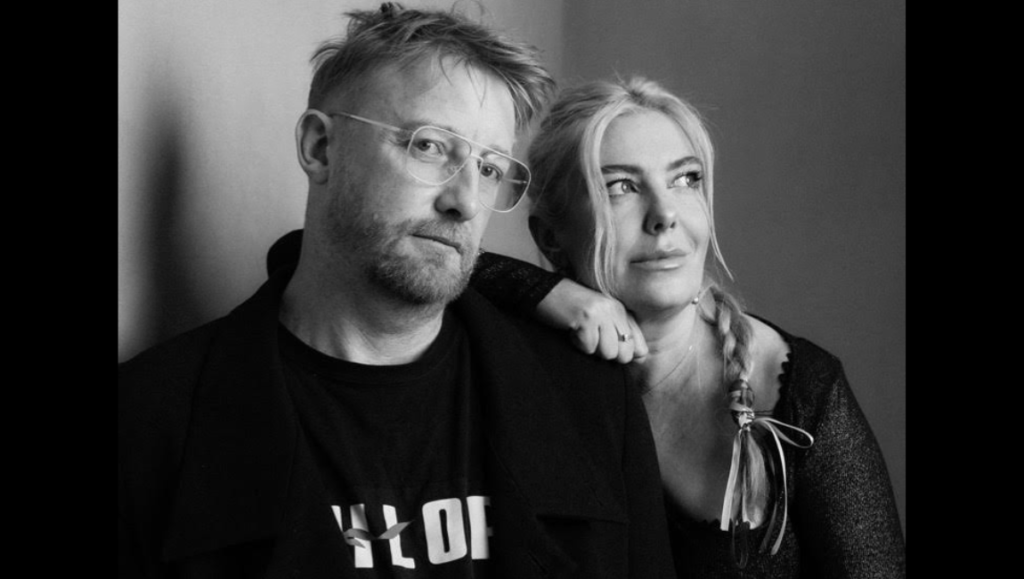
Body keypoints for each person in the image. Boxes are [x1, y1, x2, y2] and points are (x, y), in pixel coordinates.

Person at [117, 5, 677, 578]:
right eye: (430, 146)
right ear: (320, 148)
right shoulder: (146, 423)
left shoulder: (591, 403)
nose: (464, 200)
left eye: (488, 168)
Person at [471, 76, 907, 578]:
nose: (665, 215)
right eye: (621, 187)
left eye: (686, 179)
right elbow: (405, 262)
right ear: (551, 237)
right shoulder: (520, 368)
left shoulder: (800, 390)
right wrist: (542, 290)